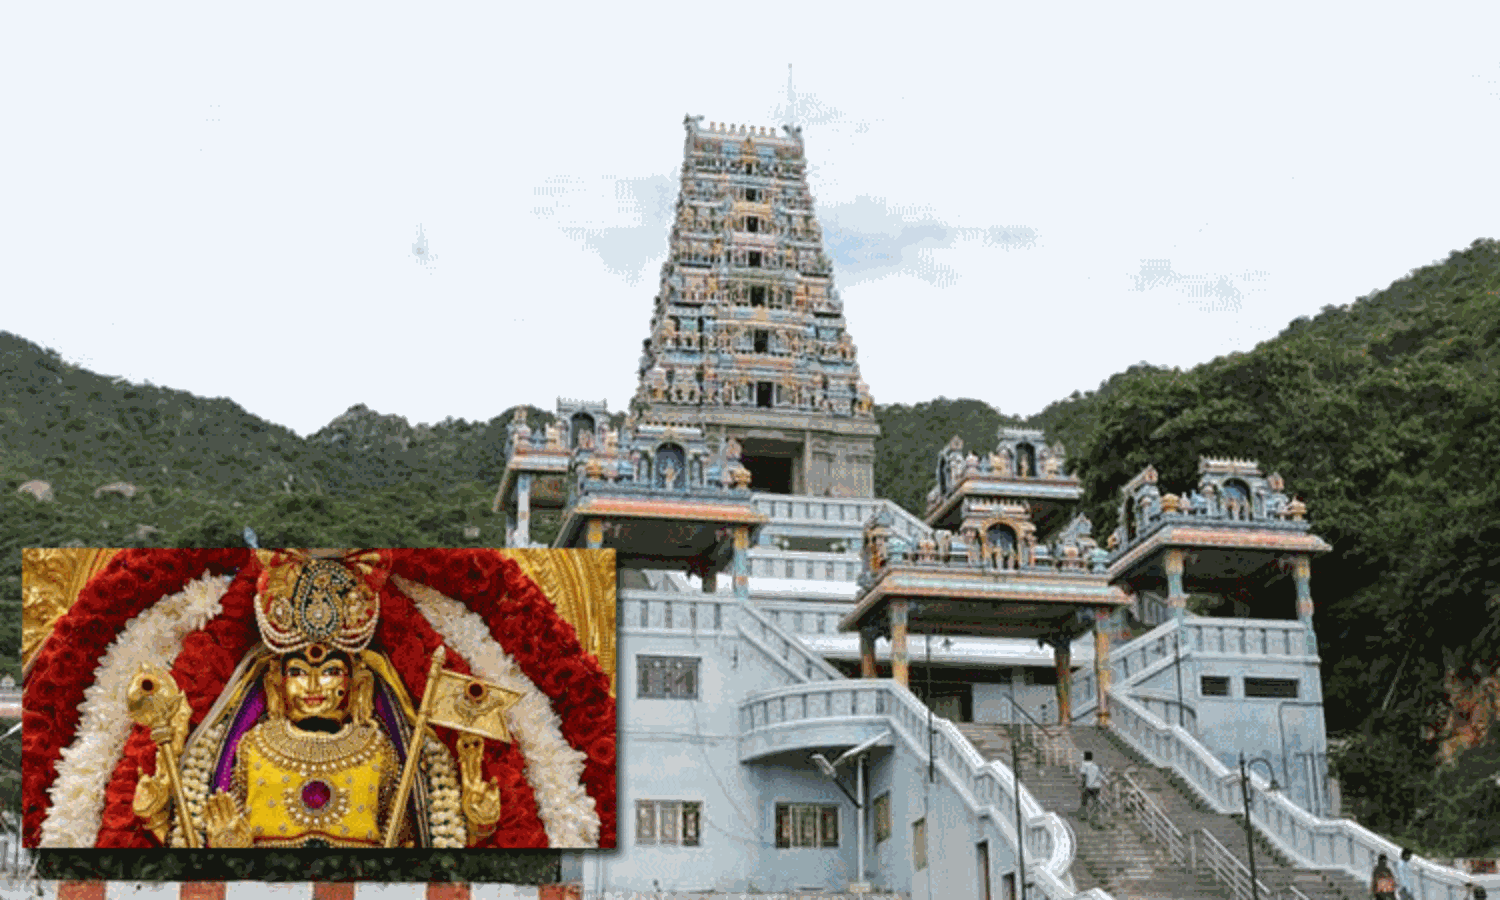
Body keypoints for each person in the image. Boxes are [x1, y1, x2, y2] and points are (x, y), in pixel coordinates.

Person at [1078, 751, 1105, 827]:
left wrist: (1082, 786)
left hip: (1088, 786)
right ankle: (1094, 818)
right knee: (1095, 802)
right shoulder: (1095, 765)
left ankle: (1084, 816)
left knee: (1084, 801)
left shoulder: (1084, 764)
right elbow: (1101, 776)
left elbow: (1084, 776)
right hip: (1097, 786)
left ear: (1085, 757)